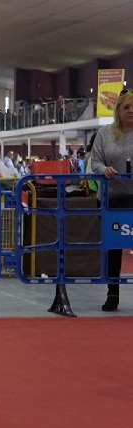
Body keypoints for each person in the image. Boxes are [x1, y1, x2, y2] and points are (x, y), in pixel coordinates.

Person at [90, 89, 133, 312]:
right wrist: (104, 169)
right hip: (111, 200)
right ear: (118, 110)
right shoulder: (104, 133)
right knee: (113, 248)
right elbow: (95, 162)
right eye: (126, 107)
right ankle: (112, 293)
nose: (131, 111)